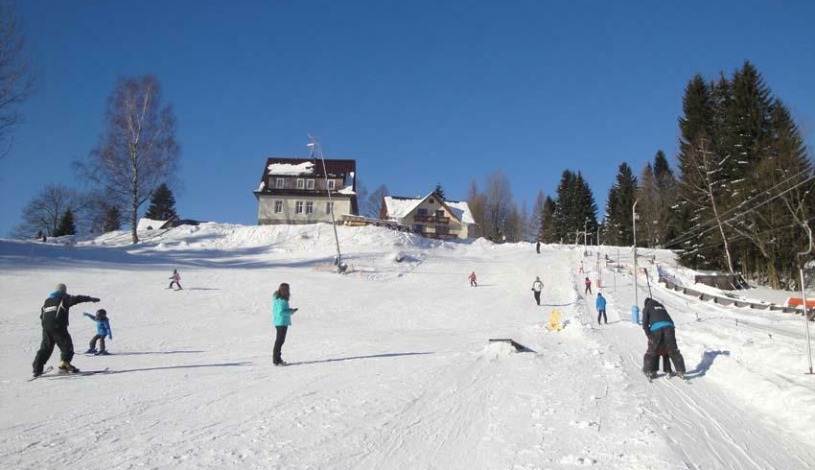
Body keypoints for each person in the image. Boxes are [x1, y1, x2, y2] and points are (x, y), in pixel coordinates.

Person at [32, 283, 100, 377]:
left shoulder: (47, 301)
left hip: (46, 328)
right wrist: (90, 298)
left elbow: (42, 315)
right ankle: (64, 364)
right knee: (67, 346)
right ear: (63, 290)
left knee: (45, 349)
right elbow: (77, 299)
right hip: (58, 327)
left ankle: (37, 369)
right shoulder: (63, 298)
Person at [641, 297, 687, 379]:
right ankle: (681, 371)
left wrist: (649, 336)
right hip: (670, 327)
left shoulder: (647, 308)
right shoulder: (661, 306)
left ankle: (648, 370)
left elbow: (644, 324)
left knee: (652, 350)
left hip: (656, 329)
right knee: (673, 350)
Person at [272, 282, 298, 366]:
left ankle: (277, 359)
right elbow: (281, 312)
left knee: (279, 341)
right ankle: (277, 360)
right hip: (282, 322)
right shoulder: (282, 301)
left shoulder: (277, 299)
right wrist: (291, 311)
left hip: (278, 322)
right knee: (279, 341)